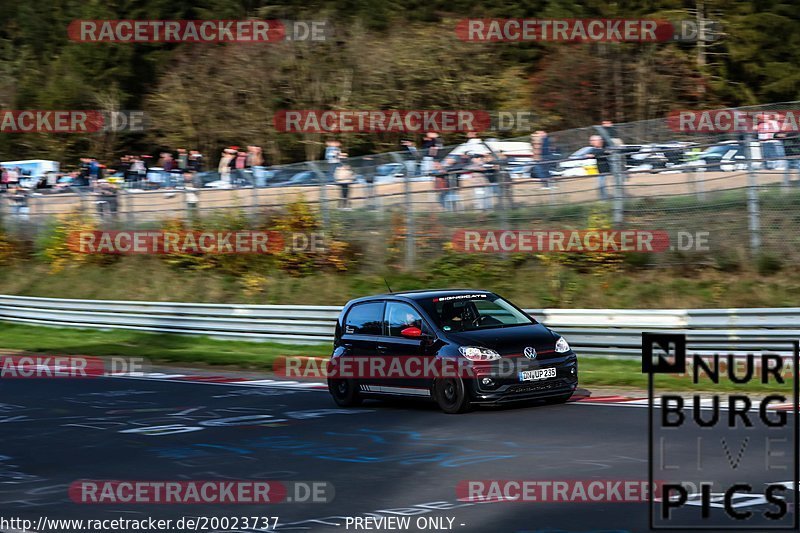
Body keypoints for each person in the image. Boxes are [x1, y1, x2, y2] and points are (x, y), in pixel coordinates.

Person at [588, 134, 611, 200]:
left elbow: (606, 152)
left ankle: (605, 199)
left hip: (608, 170)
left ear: (599, 141)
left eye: (593, 140)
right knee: (601, 186)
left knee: (602, 186)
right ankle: (604, 199)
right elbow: (590, 154)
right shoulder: (594, 149)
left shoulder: (606, 147)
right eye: (591, 140)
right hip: (601, 171)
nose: (591, 142)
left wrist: (596, 154)